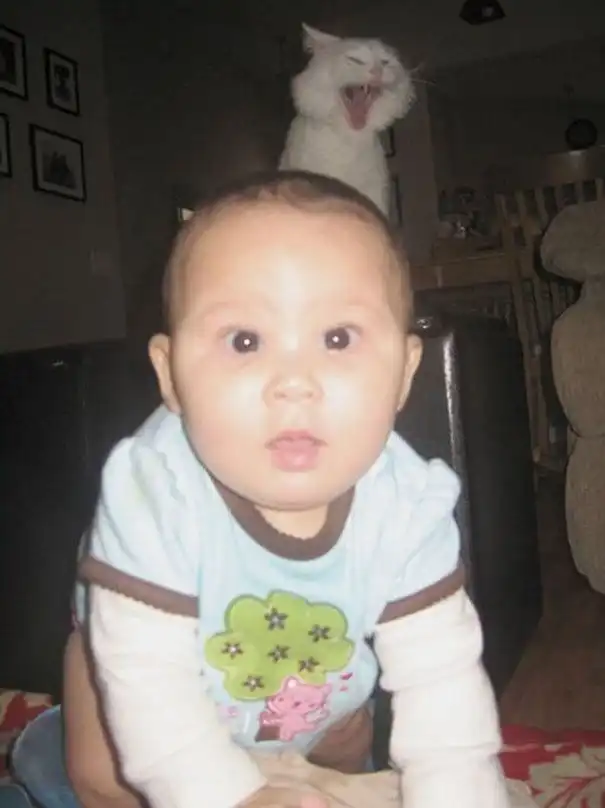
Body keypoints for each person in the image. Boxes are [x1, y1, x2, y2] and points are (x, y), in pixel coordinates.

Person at [13, 171, 508, 808]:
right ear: (171, 376)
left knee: (353, 749)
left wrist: (458, 790)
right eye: (244, 341)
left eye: (338, 338)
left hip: (306, 689)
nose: (294, 382)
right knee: (99, 774)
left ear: (405, 372)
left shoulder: (409, 502)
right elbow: (147, 679)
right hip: (145, 684)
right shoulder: (154, 490)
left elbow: (443, 679)